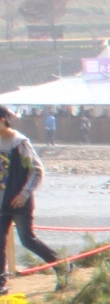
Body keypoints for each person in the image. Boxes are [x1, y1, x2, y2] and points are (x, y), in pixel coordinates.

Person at [0, 106, 58, 286]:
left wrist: (24, 194)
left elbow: (37, 171)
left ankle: (62, 266)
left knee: (28, 240)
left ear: (2, 121)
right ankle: (2, 283)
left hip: (19, 202)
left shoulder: (19, 143)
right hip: (1, 203)